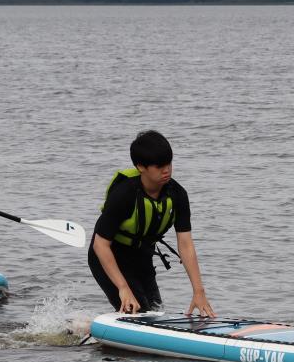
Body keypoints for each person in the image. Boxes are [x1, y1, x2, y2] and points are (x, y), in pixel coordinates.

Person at [90, 130, 214, 316]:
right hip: (109, 258)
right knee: (138, 313)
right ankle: (84, 330)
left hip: (141, 258)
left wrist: (199, 292)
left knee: (155, 312)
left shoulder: (177, 194)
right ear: (141, 167)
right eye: (159, 166)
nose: (167, 170)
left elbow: (186, 244)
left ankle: (88, 328)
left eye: (169, 164)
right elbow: (100, 245)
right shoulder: (124, 195)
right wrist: (123, 287)